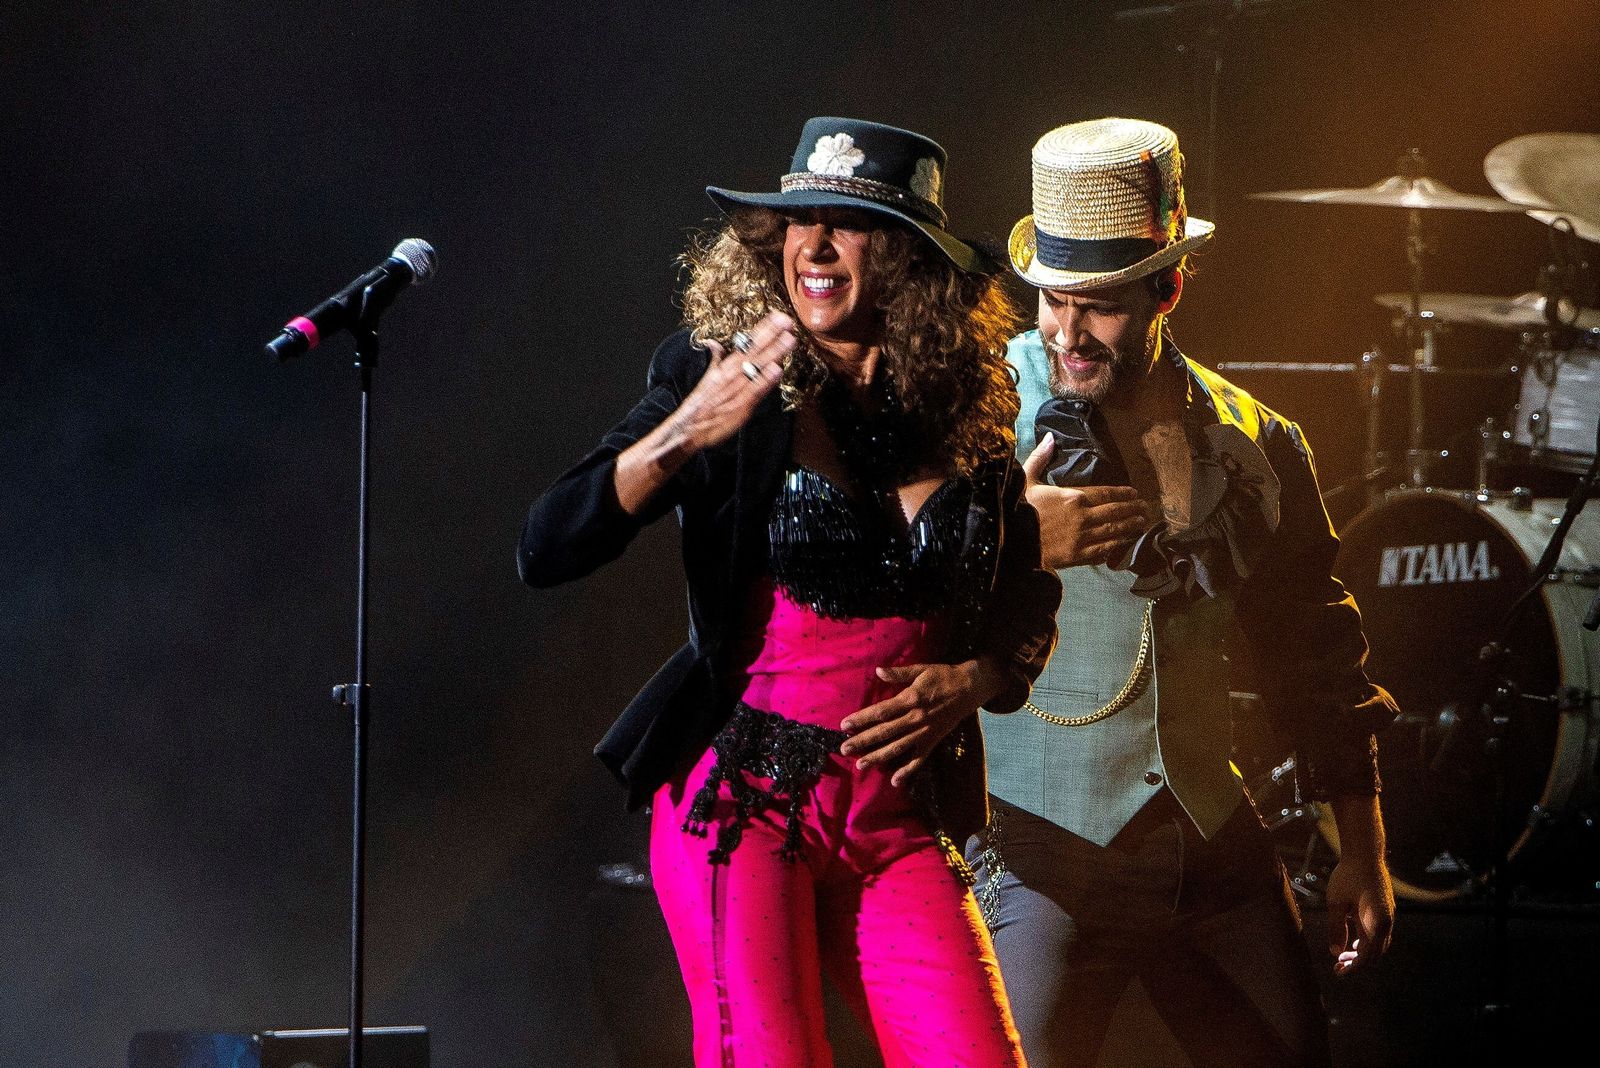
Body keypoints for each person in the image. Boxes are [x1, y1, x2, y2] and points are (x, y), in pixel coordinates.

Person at [519, 116, 1061, 1068]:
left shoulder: (969, 407)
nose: (812, 245)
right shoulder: (715, 372)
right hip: (742, 800)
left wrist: (975, 677)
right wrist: (686, 430)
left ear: (905, 256)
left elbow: (1027, 599)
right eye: (798, 219)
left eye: (847, 223)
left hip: (893, 815)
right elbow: (547, 543)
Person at [966, 117, 1400, 1068]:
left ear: (1167, 287)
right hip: (1039, 842)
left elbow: (1318, 651)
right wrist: (1009, 537)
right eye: (1051, 301)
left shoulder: (1255, 443)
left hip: (1203, 836)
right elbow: (887, 597)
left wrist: (1361, 848)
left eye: (1102, 306)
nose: (1067, 332)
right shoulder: (978, 415)